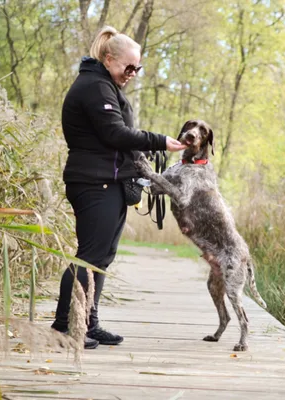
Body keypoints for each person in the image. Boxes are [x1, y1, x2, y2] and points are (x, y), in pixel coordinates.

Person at [51, 26, 186, 349]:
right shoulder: (95, 87)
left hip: (107, 182)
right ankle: (65, 326)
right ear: (109, 59)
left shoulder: (105, 85)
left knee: (101, 258)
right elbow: (115, 134)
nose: (133, 74)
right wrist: (159, 141)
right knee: (89, 257)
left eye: (137, 68)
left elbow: (118, 135)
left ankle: (87, 322)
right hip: (93, 183)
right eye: (129, 67)